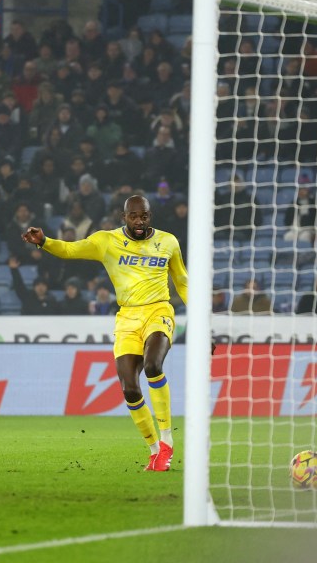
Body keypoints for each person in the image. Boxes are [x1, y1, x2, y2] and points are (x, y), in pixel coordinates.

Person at [22, 195, 189, 472]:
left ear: (151, 216)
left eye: (144, 216)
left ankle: (167, 441)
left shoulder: (168, 242)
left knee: (152, 365)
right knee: (130, 388)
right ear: (124, 217)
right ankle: (154, 449)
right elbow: (70, 250)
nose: (139, 221)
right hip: (127, 318)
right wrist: (44, 241)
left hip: (158, 310)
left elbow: (182, 281)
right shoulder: (105, 241)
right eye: (134, 216)